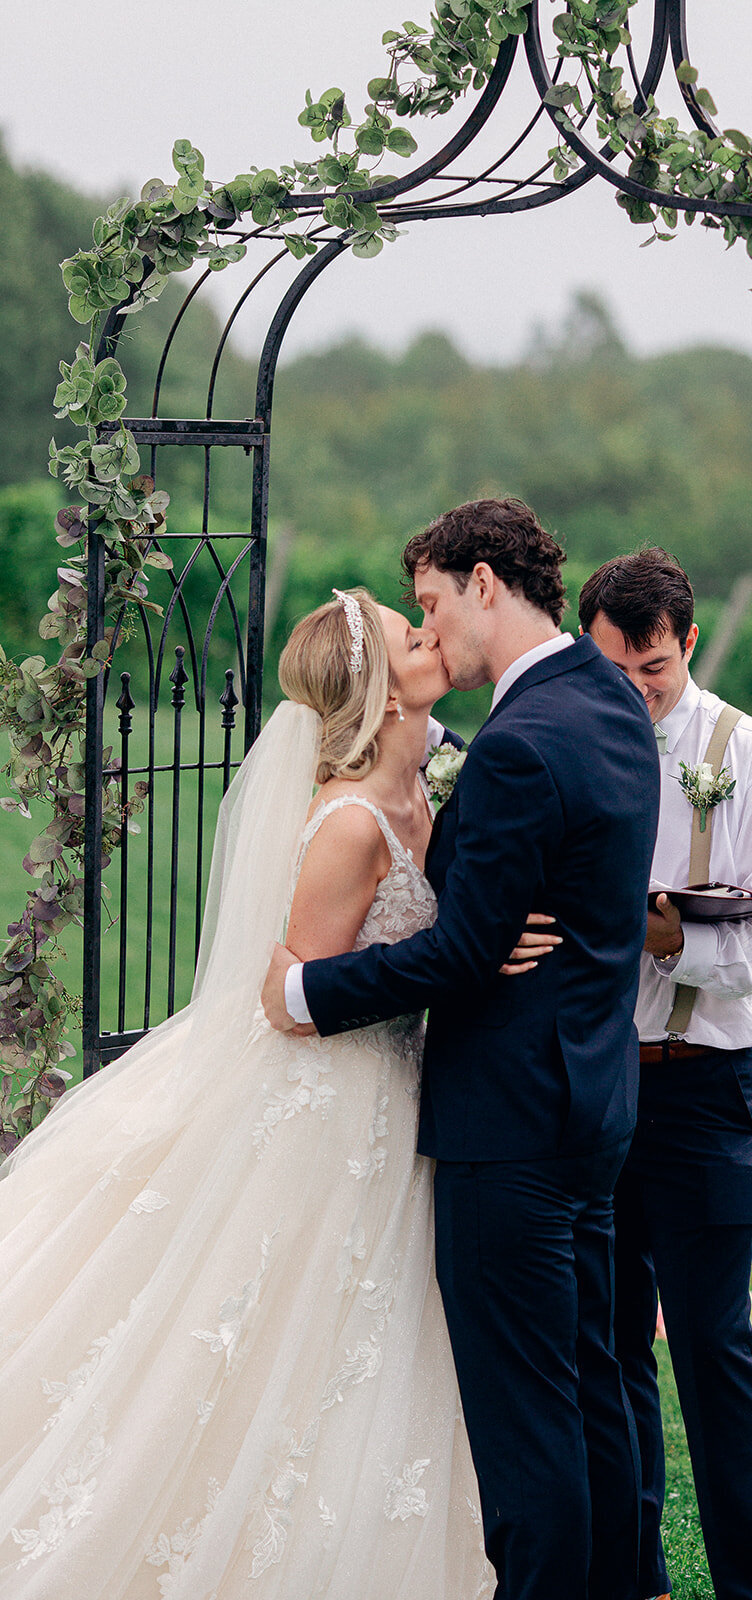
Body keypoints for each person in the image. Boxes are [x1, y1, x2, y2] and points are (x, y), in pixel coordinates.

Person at [0, 586, 558, 1599]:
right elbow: (295, 995)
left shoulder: (426, 788)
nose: (427, 634)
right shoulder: (347, 823)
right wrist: (469, 954)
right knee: (268, 1320)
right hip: (330, 1099)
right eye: (407, 631)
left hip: (397, 1092)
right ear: (384, 692)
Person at [262, 498, 661, 1600]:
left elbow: (460, 955)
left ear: (485, 582)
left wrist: (302, 987)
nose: (428, 631)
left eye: (433, 603)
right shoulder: (609, 701)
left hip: (511, 1133)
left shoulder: (521, 748)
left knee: (528, 1437)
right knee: (592, 1397)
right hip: (591, 1111)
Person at [579, 549, 752, 1600]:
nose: (633, 691)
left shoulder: (751, 758)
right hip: (588, 1083)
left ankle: (746, 1590)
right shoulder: (563, 743)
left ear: (683, 643)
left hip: (700, 1089)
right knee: (610, 1342)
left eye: (653, 671)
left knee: (712, 1354)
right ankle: (638, 1578)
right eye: (614, 671)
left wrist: (674, 942)